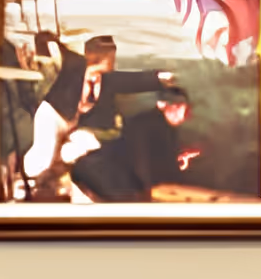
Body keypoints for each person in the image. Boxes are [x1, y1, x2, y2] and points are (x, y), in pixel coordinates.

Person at [22, 35, 174, 184]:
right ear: (95, 59)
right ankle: (28, 175)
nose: (112, 66)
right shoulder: (74, 65)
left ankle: (51, 165)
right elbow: (56, 49)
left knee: (88, 146)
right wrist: (46, 41)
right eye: (109, 61)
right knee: (44, 160)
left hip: (71, 123)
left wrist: (157, 79)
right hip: (52, 118)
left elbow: (127, 81)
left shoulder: (104, 79)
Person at [68, 86, 201, 203]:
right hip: (100, 175)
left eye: (184, 109)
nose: (181, 114)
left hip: (111, 178)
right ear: (161, 105)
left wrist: (178, 160)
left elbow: (156, 163)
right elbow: (142, 163)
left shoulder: (166, 128)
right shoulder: (144, 124)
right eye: (176, 107)